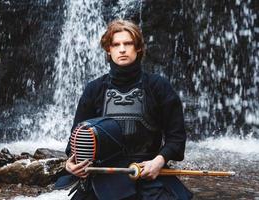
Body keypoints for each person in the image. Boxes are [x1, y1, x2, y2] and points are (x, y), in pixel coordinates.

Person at [63, 19, 192, 200]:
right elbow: (74, 140)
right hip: (102, 177)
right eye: (116, 45)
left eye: (128, 43)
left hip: (147, 174)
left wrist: (159, 161)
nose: (122, 49)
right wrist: (72, 163)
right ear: (109, 50)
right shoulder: (94, 89)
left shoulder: (158, 86)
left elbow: (176, 138)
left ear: (138, 48)